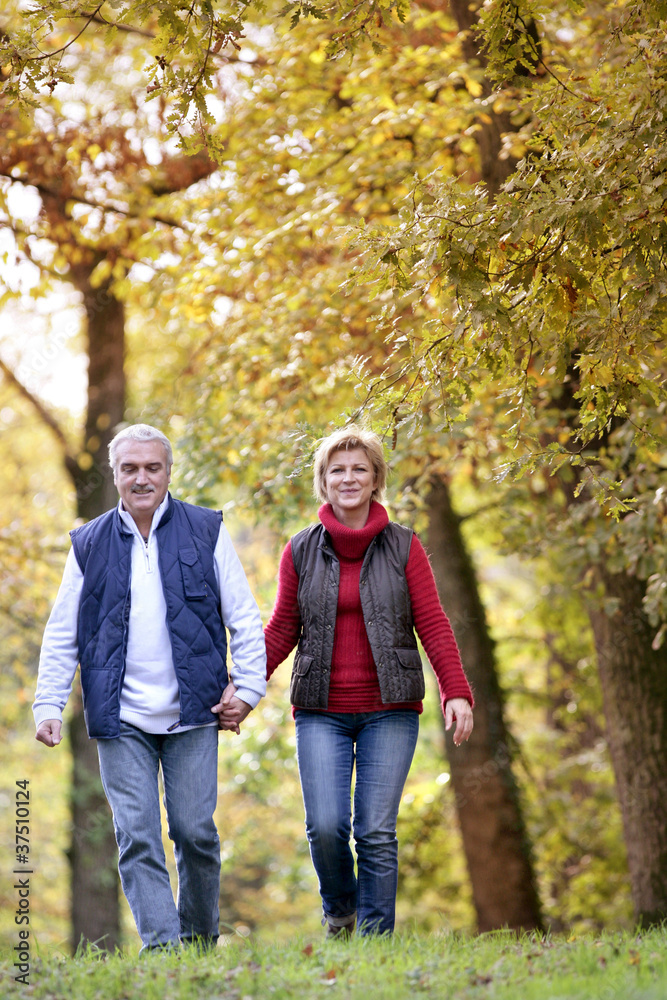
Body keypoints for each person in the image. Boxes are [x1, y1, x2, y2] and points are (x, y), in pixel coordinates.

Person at [33, 423, 266, 953]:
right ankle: (164, 950)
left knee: (195, 833)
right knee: (137, 837)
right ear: (115, 475)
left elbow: (245, 618)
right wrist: (48, 701)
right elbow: (62, 628)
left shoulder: (206, 529)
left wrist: (248, 689)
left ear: (168, 472)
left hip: (195, 711)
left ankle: (200, 941)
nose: (142, 478)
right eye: (130, 468)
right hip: (121, 718)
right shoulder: (88, 543)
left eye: (152, 467)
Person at [263, 426, 474, 938]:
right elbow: (281, 630)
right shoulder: (300, 551)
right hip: (320, 710)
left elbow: (433, 622)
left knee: (376, 830)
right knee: (327, 826)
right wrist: (239, 688)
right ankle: (340, 912)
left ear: (376, 478)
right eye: (337, 469)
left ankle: (377, 944)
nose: (348, 478)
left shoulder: (405, 547)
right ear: (323, 481)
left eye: (359, 468)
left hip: (390, 709)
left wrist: (456, 691)